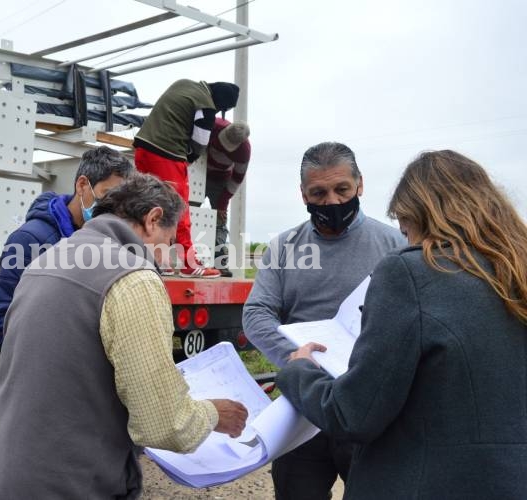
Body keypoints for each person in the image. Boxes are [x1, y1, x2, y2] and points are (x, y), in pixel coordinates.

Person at [0, 173, 248, 499]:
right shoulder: (133, 277)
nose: (167, 258)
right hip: (70, 486)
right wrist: (215, 413)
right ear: (153, 219)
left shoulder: (49, 258)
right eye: (170, 242)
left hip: (4, 474)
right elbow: (163, 425)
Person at [276, 150, 527, 499]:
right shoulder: (516, 270)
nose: (405, 235)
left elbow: (354, 414)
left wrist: (298, 371)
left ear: (418, 215)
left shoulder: (409, 272)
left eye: (404, 225)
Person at [242, 142, 406, 500]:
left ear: (360, 185)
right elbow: (256, 314)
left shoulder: (396, 245)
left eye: (341, 189)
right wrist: (298, 360)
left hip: (368, 408)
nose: (332, 201)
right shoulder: (285, 247)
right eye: (319, 192)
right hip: (301, 410)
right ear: (303, 194)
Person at [0, 146, 133, 347]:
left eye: (119, 202)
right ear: (82, 185)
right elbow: (3, 325)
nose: (112, 209)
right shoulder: (28, 240)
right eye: (106, 195)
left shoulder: (108, 244)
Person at [133, 79, 240, 278]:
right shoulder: (206, 105)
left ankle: (155, 260)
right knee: (179, 209)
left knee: (148, 207)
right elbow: (200, 141)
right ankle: (190, 264)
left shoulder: (185, 85)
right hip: (166, 153)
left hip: (142, 148)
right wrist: (187, 159)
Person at [206, 118, 251, 277]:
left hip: (221, 179)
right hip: (199, 170)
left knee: (220, 220)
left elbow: (237, 179)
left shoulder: (244, 151)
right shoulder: (214, 124)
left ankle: (219, 263)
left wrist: (222, 204)